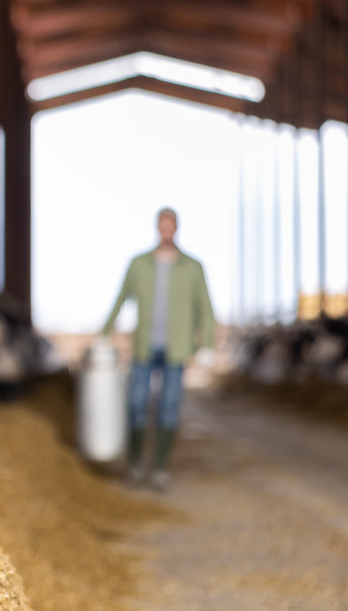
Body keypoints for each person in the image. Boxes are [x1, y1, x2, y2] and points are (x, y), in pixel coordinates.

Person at [102, 207, 215, 491]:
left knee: (168, 407)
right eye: (162, 226)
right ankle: (136, 465)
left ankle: (161, 468)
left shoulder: (192, 266)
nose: (167, 231)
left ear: (176, 229)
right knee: (137, 404)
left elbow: (205, 306)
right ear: (157, 228)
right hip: (143, 346)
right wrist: (105, 331)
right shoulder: (139, 264)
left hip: (177, 348)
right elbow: (121, 297)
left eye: (171, 226)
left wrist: (207, 344)